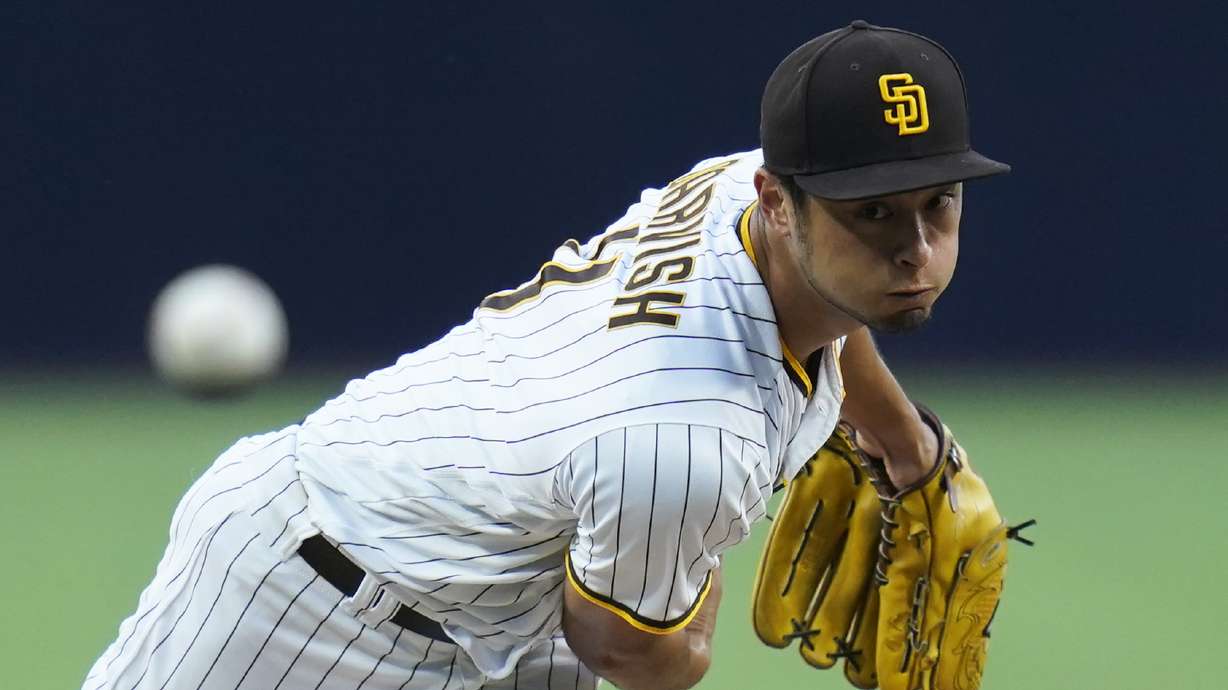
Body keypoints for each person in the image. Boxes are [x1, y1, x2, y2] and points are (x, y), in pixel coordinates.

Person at [83, 19, 1008, 690]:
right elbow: (632, 651)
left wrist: (905, 447)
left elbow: (832, 307)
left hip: (498, 603)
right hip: (304, 604)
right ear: (780, 202)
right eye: (872, 212)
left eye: (937, 204)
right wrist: (694, 558)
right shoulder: (685, 438)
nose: (914, 251)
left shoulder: (739, 187)